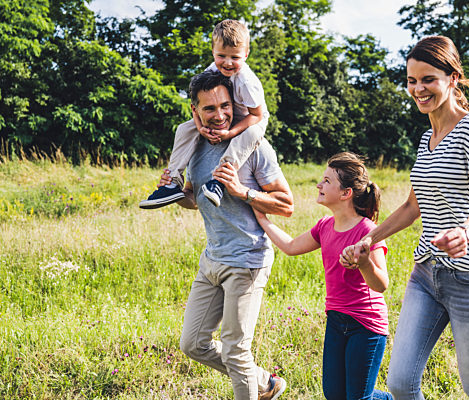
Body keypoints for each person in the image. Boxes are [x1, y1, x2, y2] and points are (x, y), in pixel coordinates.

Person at [341, 36, 469, 399]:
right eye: (412, 81)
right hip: (427, 276)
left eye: (428, 79)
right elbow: (413, 207)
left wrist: (467, 230)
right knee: (400, 383)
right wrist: (370, 238)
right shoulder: (426, 138)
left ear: (453, 78)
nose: (418, 89)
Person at [159, 70, 292, 400]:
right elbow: (195, 199)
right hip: (212, 260)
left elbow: (286, 205)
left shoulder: (255, 145)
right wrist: (174, 192)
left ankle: (254, 384)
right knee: (192, 343)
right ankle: (265, 383)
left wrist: (241, 191)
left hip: (247, 260)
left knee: (235, 349)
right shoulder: (194, 147)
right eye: (209, 109)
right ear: (195, 111)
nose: (219, 115)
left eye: (225, 105)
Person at [254, 152, 393, 400]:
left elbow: (381, 284)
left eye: (327, 181)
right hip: (337, 320)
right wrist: (262, 218)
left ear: (345, 193)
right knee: (334, 395)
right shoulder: (325, 226)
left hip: (366, 325)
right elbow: (290, 246)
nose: (319, 185)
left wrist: (364, 264)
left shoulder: (368, 231)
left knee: (358, 398)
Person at [140, 19, 269, 209]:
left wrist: (231, 134)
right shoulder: (211, 71)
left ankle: (219, 181)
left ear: (246, 54)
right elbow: (197, 104)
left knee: (252, 133)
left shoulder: (246, 81)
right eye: (221, 55)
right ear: (213, 52)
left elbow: (257, 116)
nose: (227, 63)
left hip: (249, 119)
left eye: (235, 57)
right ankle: (172, 182)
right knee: (184, 128)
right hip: (224, 113)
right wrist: (200, 127)